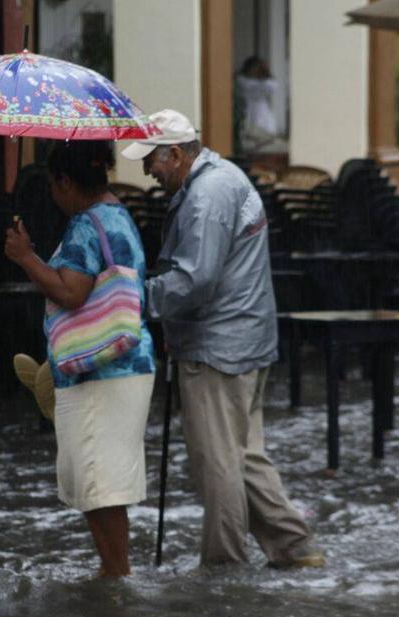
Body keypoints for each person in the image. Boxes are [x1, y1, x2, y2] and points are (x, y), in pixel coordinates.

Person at [120, 109, 323, 570]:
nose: (146, 171)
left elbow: (195, 279)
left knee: (219, 463)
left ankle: (223, 565)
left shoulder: (205, 196)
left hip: (217, 346)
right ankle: (294, 546)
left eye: (151, 160)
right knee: (244, 455)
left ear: (174, 154)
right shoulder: (222, 177)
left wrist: (133, 299)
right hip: (244, 338)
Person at [5, 140, 156, 578]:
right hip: (122, 366)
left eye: (54, 186)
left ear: (66, 181)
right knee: (97, 481)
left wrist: (25, 257)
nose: (53, 195)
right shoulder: (118, 215)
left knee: (98, 483)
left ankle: (115, 578)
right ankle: (114, 574)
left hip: (101, 370)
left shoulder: (87, 225)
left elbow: (71, 291)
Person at [236, 56, 277, 152]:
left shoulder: (265, 83)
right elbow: (252, 87)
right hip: (247, 113)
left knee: (265, 142)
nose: (256, 71)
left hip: (263, 116)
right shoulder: (241, 80)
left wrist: (265, 74)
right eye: (255, 68)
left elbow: (271, 87)